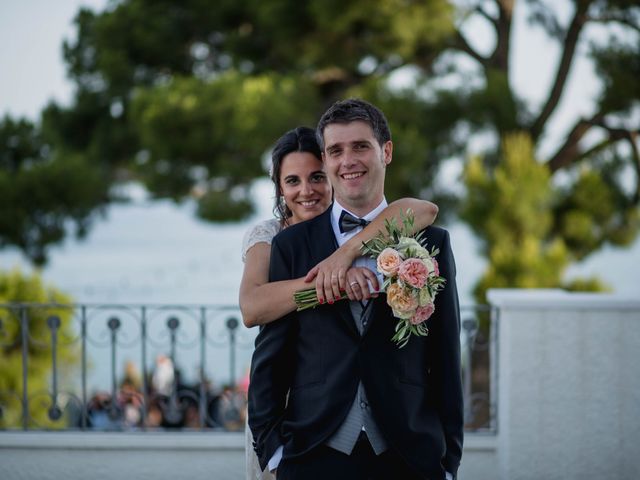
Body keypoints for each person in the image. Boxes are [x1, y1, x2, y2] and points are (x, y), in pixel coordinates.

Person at [248, 100, 463, 480]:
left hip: (410, 454)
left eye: (360, 146)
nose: (348, 160)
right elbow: (270, 360)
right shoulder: (290, 245)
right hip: (312, 453)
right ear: (327, 161)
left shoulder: (431, 242)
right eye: (335, 150)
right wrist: (274, 454)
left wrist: (447, 462)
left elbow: (445, 356)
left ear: (387, 151)